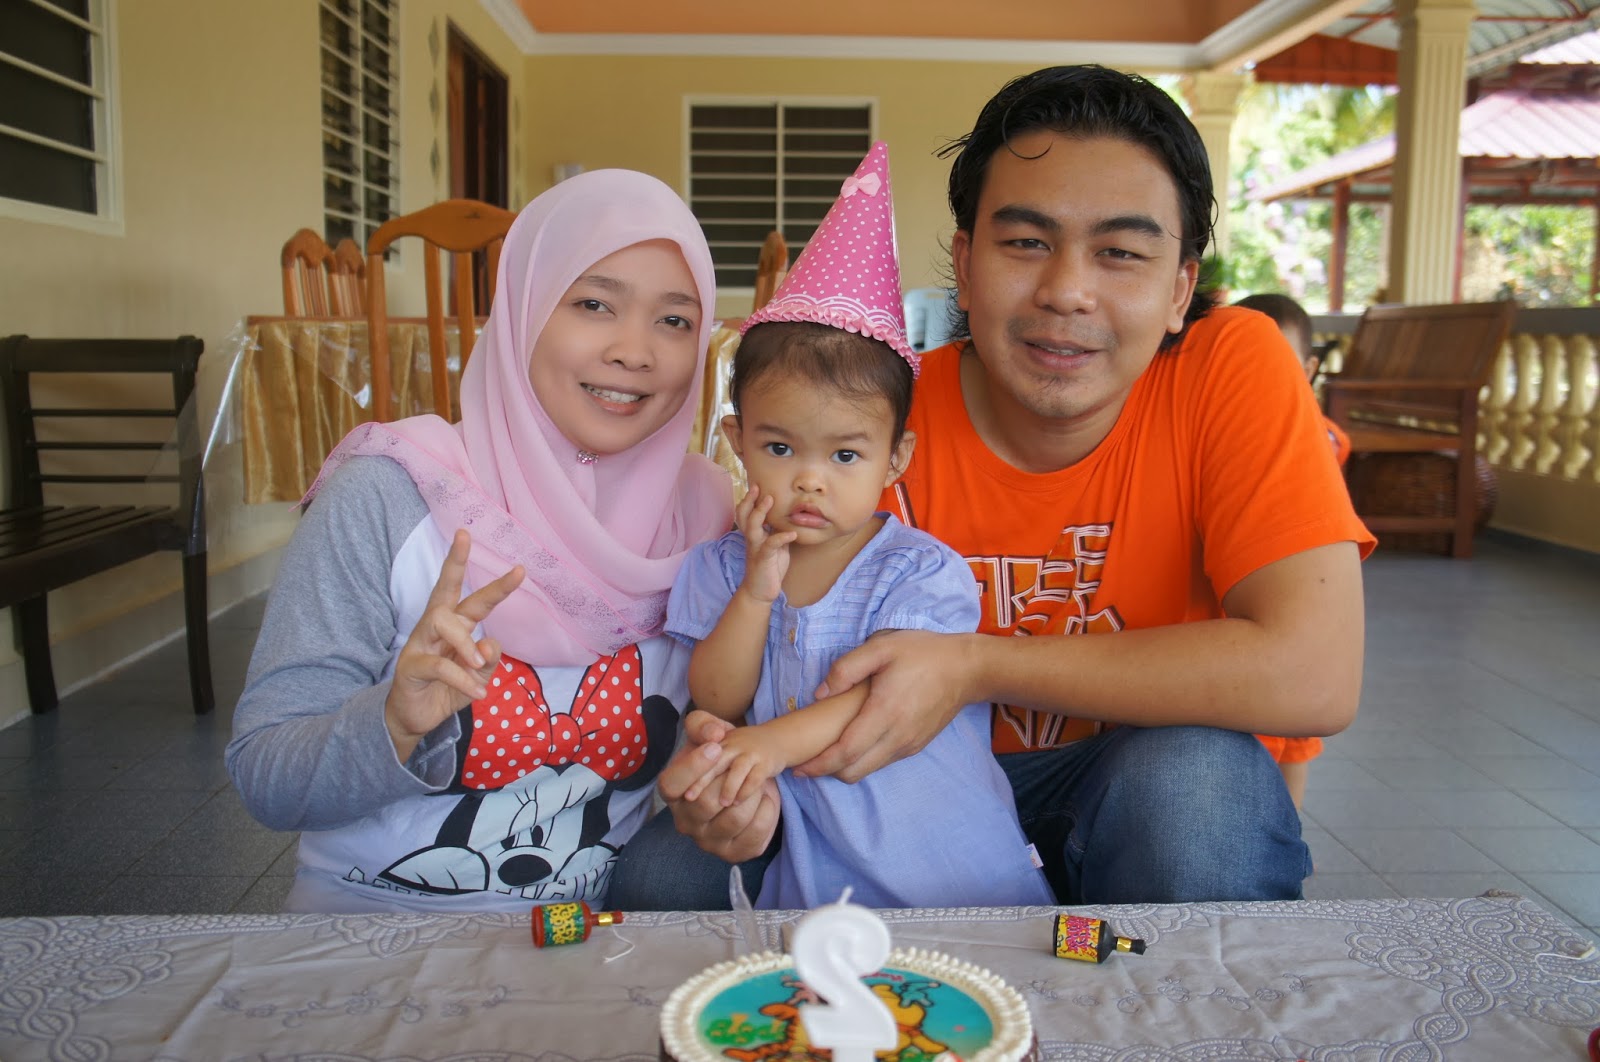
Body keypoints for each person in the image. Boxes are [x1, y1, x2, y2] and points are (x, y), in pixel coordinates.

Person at [609, 64, 1375, 911]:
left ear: (1179, 290)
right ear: (966, 267)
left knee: (1199, 782)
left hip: (1122, 790)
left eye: (1120, 252)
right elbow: (768, 661)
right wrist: (732, 769)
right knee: (665, 874)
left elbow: (1313, 675)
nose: (1067, 291)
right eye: (1026, 243)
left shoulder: (1226, 367)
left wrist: (974, 666)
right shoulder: (865, 423)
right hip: (874, 793)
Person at [226, 170, 732, 913]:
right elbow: (265, 778)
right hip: (373, 938)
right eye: (593, 304)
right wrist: (393, 723)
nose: (635, 351)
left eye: (676, 321)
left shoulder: (706, 519)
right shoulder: (388, 495)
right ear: (523, 309)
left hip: (592, 942)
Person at [667, 143, 1053, 910]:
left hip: (941, 855)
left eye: (845, 454)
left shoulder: (917, 571)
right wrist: (756, 593)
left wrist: (768, 745)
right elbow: (715, 696)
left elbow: (885, 694)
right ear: (737, 440)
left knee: (975, 972)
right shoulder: (721, 566)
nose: (810, 478)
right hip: (819, 862)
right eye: (780, 449)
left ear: (895, 459)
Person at [1232, 292, 1355, 808]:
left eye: (1279, 364)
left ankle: (1290, 832)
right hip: (1246, 597)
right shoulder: (1225, 428)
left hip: (1305, 597)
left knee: (1296, 740)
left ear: (1307, 370)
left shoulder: (1317, 436)